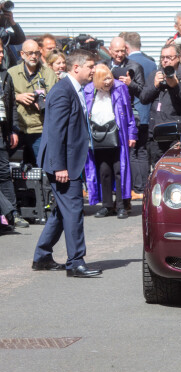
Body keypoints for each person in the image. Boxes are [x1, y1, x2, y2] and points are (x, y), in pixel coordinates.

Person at [32, 49, 102, 277]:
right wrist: (60, 166)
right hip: (63, 164)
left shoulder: (75, 89)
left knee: (62, 213)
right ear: (76, 68)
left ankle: (42, 256)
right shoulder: (63, 92)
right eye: (90, 66)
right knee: (73, 211)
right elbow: (55, 133)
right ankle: (76, 262)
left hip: (70, 160)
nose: (94, 71)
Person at [84, 64, 137, 219]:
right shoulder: (88, 91)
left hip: (118, 135)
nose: (108, 82)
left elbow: (129, 112)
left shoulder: (120, 88)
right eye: (104, 79)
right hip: (98, 136)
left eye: (109, 77)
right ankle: (107, 205)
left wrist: (132, 134)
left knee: (119, 170)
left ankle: (121, 205)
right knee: (104, 171)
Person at [140, 44, 181, 166]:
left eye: (169, 57)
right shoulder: (154, 75)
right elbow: (143, 98)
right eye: (162, 57)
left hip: (176, 135)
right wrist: (155, 85)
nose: (165, 61)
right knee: (158, 169)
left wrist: (176, 86)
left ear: (178, 58)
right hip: (156, 135)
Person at [8, 39, 57, 165]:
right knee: (4, 160)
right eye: (30, 53)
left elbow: (55, 100)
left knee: (44, 165)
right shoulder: (11, 73)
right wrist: (17, 97)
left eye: (37, 53)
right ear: (22, 54)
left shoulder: (48, 74)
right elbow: (3, 97)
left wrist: (43, 102)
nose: (34, 56)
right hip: (17, 128)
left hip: (39, 128)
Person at [124, 32, 156, 200]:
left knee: (132, 152)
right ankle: (143, 186)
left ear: (127, 47)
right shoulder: (151, 63)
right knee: (142, 151)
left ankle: (135, 186)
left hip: (132, 114)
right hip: (147, 113)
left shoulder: (129, 64)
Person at [0, 39, 28, 229]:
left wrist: (13, 130)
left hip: (2, 131)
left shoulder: (5, 75)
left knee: (3, 173)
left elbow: (11, 106)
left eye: (2, 51)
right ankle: (9, 213)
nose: (1, 54)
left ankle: (12, 214)